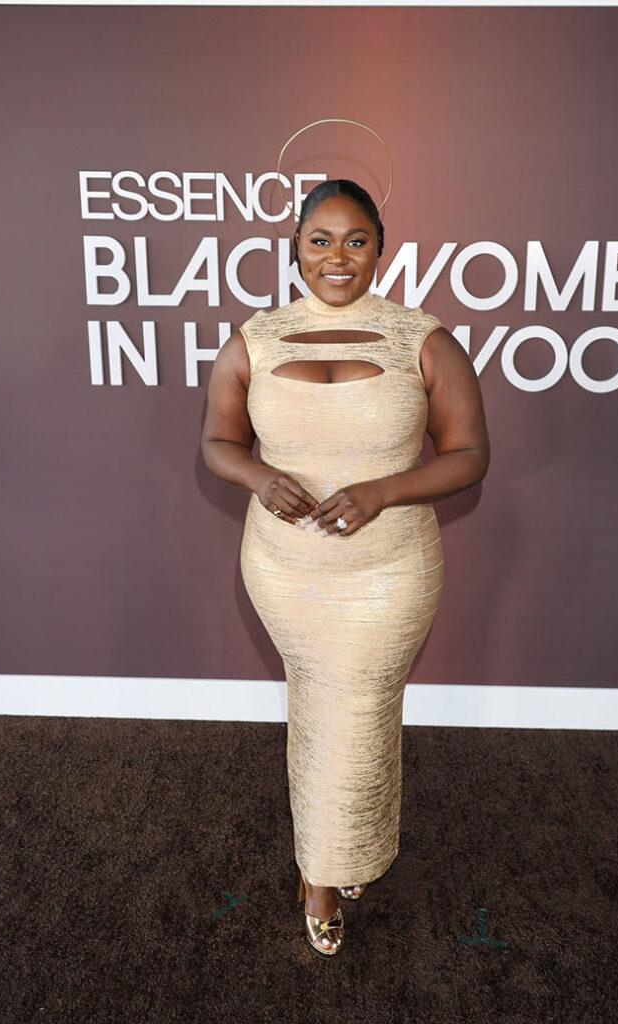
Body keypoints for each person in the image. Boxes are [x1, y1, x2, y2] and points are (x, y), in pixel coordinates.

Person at [201, 178, 489, 957]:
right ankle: (335, 858)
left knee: (358, 705)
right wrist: (261, 477)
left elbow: (469, 455)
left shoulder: (421, 338)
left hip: (389, 569)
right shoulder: (254, 339)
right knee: (318, 698)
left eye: (355, 240)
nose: (337, 256)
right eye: (320, 239)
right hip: (283, 567)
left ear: (379, 251)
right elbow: (217, 445)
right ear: (294, 248)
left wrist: (382, 491)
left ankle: (323, 871)